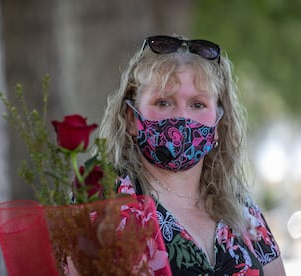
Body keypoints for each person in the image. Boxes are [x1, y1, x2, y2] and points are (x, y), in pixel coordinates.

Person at [98, 35, 286, 275]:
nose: (181, 118)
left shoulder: (242, 209)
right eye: (163, 102)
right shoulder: (103, 204)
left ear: (218, 124)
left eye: (197, 104)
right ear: (130, 118)